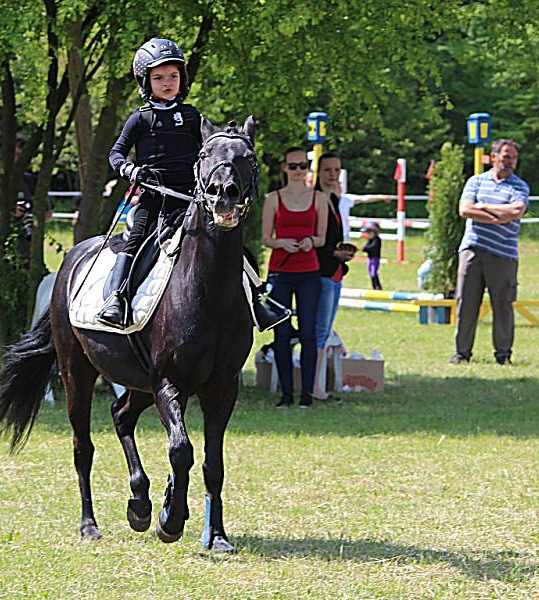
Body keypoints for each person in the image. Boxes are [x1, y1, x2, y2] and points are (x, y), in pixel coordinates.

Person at [101, 37, 285, 330]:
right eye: (159, 78)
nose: (167, 83)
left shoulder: (192, 116)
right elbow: (115, 154)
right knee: (134, 243)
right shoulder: (139, 119)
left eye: (173, 76)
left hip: (190, 199)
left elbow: (210, 149)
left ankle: (257, 302)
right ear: (145, 80)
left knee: (229, 245)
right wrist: (130, 170)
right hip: (154, 198)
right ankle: (116, 298)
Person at [450, 139, 529, 365]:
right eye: (505, 157)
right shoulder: (476, 181)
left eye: (513, 157)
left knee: (503, 305)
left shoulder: (520, 186)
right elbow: (465, 209)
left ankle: (503, 354)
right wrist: (498, 216)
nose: (509, 162)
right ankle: (462, 352)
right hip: (472, 249)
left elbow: (516, 210)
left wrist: (482, 207)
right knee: (466, 303)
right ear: (493, 157)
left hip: (504, 255)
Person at [262, 147, 328, 408]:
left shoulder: (319, 199)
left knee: (309, 332)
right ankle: (286, 393)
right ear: (284, 169)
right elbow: (267, 238)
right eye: (293, 166)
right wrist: (281, 243)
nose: (298, 170)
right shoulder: (273, 199)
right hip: (280, 271)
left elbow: (322, 238)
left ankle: (307, 395)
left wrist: (311, 241)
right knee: (282, 333)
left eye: (303, 166)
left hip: (309, 271)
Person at [312, 153, 355, 400]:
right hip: (321, 271)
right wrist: (333, 253)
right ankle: (317, 386)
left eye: (336, 169)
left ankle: (319, 383)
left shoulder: (335, 199)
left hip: (336, 271)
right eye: (328, 170)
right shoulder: (316, 198)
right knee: (319, 331)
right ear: (319, 172)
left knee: (326, 330)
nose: (332, 174)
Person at [362, 221, 383, 290]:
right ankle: (374, 286)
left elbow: (372, 248)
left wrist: (366, 249)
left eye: (369, 232)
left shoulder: (377, 240)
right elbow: (366, 247)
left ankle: (377, 286)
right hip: (370, 258)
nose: (368, 234)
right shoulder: (370, 240)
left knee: (373, 273)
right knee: (370, 273)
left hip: (375, 259)